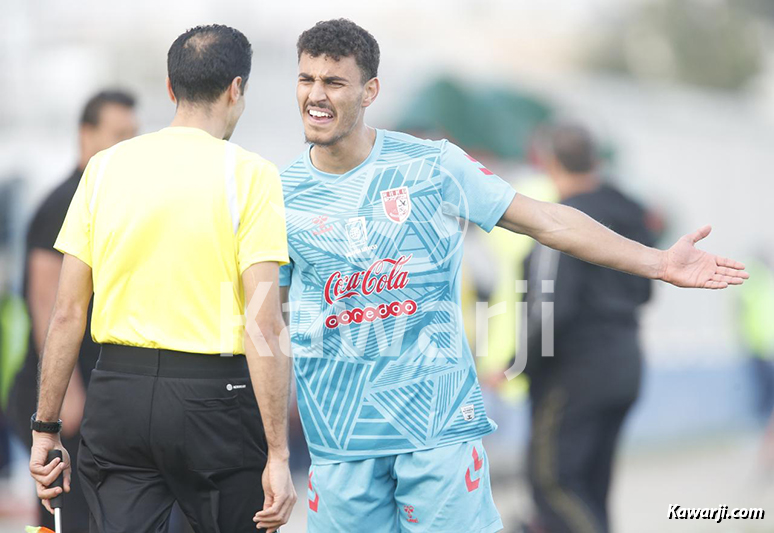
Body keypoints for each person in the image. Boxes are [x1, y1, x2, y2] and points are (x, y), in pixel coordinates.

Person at [279, 18, 747, 533]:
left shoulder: (432, 166)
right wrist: (275, 452)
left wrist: (657, 262)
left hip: (437, 435)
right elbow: (260, 320)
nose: (316, 95)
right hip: (341, 444)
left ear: (370, 90)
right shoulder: (277, 194)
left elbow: (548, 219)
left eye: (333, 82)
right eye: (307, 79)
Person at [28, 25, 296, 533]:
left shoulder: (103, 170)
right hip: (214, 400)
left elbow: (66, 312)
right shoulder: (252, 175)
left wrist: (45, 427)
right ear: (236, 89)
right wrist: (279, 455)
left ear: (171, 89)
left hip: (118, 396)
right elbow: (263, 323)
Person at [8, 89, 137, 533]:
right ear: (86, 135)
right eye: (117, 134)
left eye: (133, 136)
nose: (126, 146)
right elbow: (47, 304)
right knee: (62, 517)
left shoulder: (108, 197)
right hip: (59, 390)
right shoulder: (64, 201)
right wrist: (65, 395)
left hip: (91, 388)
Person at [521, 123, 655, 533]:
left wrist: (520, 364)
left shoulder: (561, 219)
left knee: (553, 482)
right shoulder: (632, 214)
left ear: (548, 162)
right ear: (596, 160)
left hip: (575, 370)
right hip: (627, 361)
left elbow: (550, 308)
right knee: (591, 486)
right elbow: (645, 290)